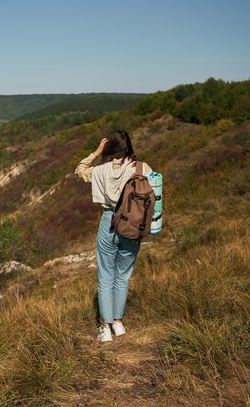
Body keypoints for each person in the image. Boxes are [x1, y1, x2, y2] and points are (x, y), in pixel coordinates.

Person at [74, 130, 152, 343]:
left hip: (109, 223)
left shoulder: (100, 171)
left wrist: (96, 152)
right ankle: (118, 323)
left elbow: (80, 169)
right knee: (123, 275)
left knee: (106, 275)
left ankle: (105, 327)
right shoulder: (142, 168)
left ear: (108, 148)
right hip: (133, 224)